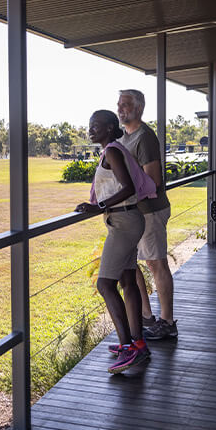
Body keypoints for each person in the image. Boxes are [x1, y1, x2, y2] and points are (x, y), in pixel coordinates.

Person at [75, 110, 158, 373]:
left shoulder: (112, 150)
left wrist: (99, 206)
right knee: (127, 281)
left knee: (105, 284)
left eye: (96, 126)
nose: (91, 130)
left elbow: (128, 188)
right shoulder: (112, 149)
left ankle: (127, 347)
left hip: (123, 223)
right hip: (128, 220)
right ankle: (138, 344)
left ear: (110, 128)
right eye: (90, 125)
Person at [116, 89, 178, 340]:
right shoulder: (123, 138)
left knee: (155, 263)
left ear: (139, 108)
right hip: (131, 213)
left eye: (127, 104)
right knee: (130, 264)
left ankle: (167, 322)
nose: (121, 108)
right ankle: (145, 316)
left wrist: (124, 193)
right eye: (119, 104)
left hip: (150, 211)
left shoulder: (145, 138)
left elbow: (153, 181)